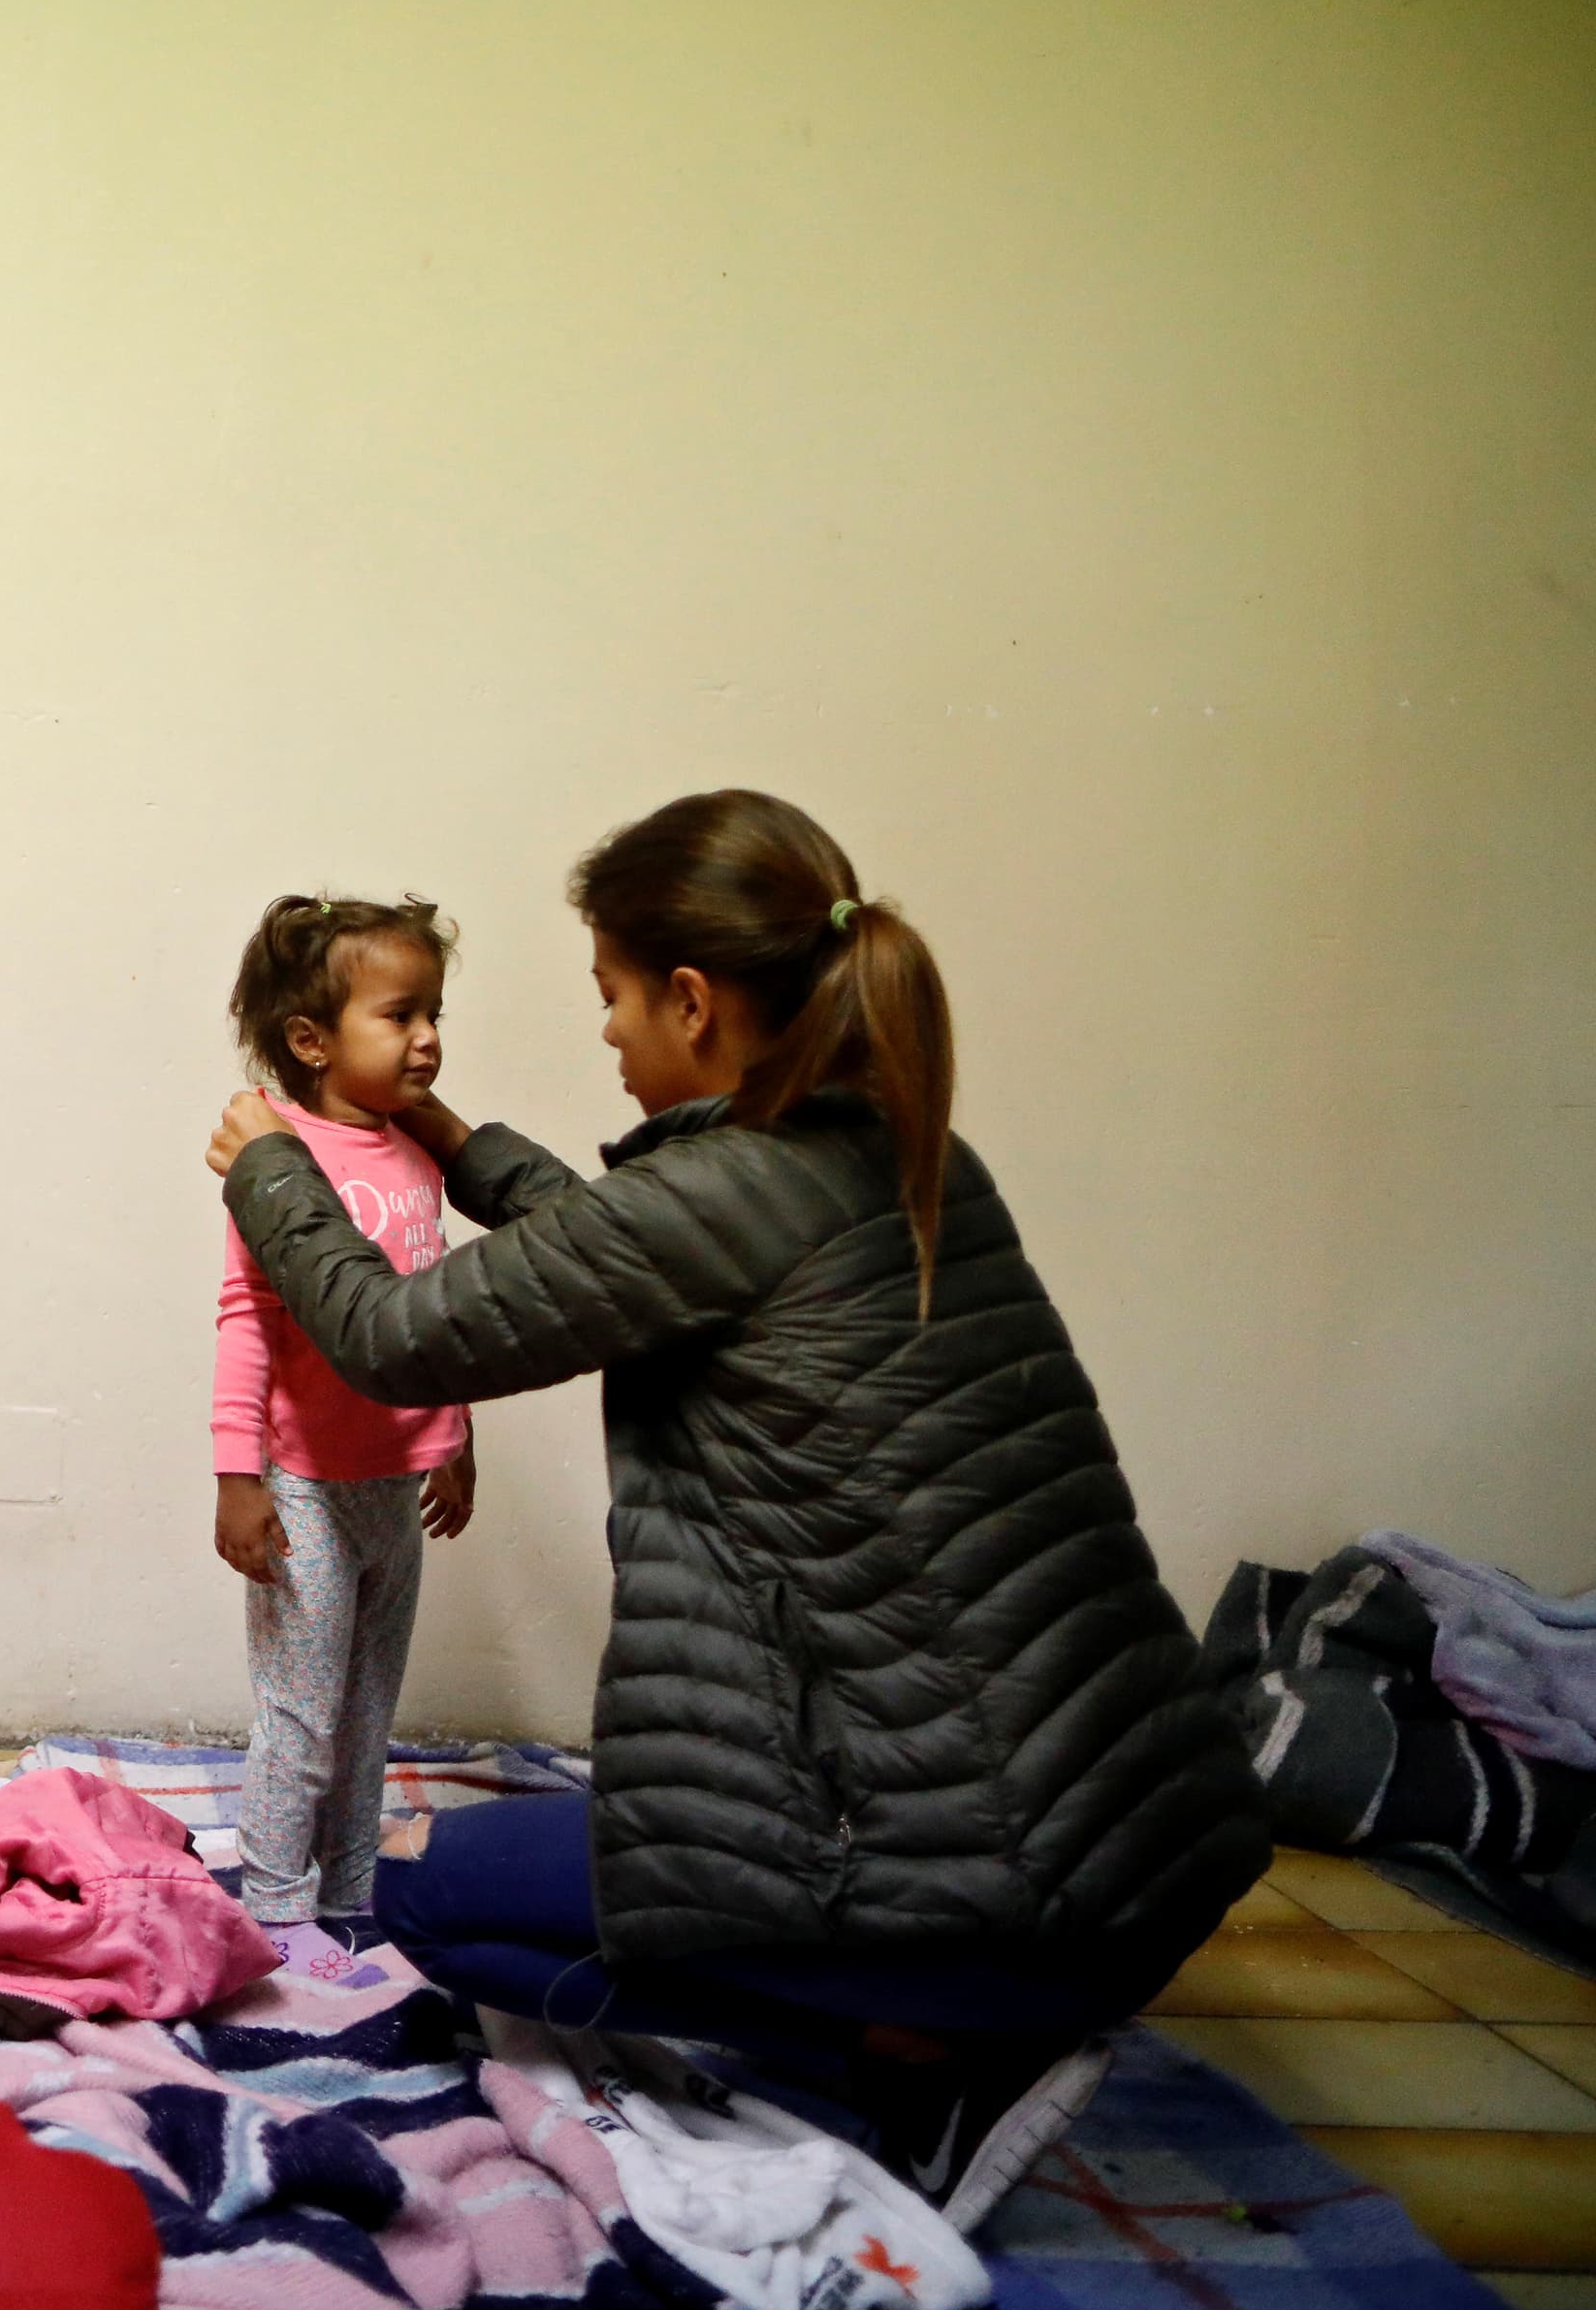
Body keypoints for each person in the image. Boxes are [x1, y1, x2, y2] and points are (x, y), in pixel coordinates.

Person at [203, 789, 1268, 2231]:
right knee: (544, 1845)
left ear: (694, 1003)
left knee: (427, 1898)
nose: (606, 1033)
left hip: (981, 1896)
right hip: (1144, 1853)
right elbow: (611, 1238)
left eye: (614, 997)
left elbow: (390, 1338)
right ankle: (930, 2014)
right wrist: (448, 1139)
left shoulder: (718, 1196)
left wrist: (269, 1167)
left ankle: (920, 2052)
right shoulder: (905, 1156)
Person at [209, 895, 477, 1982]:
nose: (428, 1038)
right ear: (312, 1039)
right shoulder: (274, 1151)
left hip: (393, 1486)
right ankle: (273, 1903)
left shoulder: (420, 1150)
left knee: (370, 1707)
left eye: (435, 1013)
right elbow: (246, 1319)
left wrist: (456, 1440)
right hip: (306, 1485)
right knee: (301, 1706)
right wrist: (239, 1477)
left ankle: (351, 1888)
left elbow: (446, 1307)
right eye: (400, 1014)